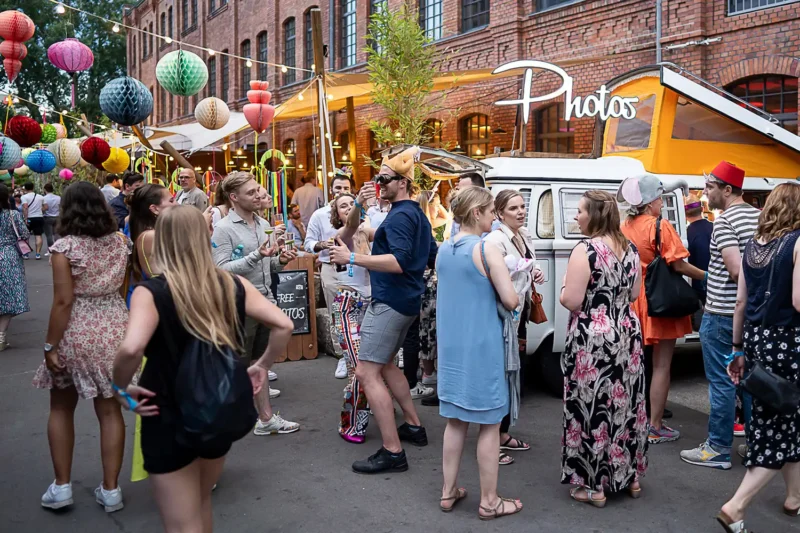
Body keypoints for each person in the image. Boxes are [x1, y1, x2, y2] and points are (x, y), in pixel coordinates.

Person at [111, 206, 294, 533]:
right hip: (215, 409)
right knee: (201, 502)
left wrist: (121, 387)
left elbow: (130, 348)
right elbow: (283, 324)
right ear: (205, 237)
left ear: (161, 241)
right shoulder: (232, 284)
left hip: (165, 410)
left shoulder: (151, 292)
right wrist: (262, 365)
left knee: (181, 522)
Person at [329, 146, 438, 474]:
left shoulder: (403, 214)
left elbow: (399, 260)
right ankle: (414, 427)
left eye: (384, 179)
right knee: (387, 365)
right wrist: (371, 229)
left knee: (366, 372)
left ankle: (392, 450)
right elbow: (429, 253)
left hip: (390, 302)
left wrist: (351, 258)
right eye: (378, 179)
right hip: (404, 301)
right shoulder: (415, 213)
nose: (379, 184)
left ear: (403, 182)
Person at [32, 182, 130, 513]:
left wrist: (50, 345)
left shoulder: (65, 248)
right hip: (115, 325)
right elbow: (122, 289)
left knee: (61, 407)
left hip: (77, 328)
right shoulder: (121, 243)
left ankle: (61, 488)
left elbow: (63, 301)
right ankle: (112, 490)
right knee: (110, 410)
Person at [715, 182, 800, 533]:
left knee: (780, 420)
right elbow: (799, 301)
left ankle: (794, 497)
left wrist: (737, 350)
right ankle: (736, 506)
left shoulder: (753, 246)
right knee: (784, 426)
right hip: (791, 343)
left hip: (756, 342)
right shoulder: (797, 242)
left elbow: (740, 303)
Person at [436, 186, 523, 519]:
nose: (494, 216)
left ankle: (448, 492)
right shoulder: (487, 250)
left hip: (453, 348)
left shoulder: (445, 250)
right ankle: (489, 501)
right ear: (476, 213)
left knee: (455, 421)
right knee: (488, 424)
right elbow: (511, 299)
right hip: (483, 346)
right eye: (490, 211)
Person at [560, 190, 648, 507]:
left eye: (580, 210)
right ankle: (631, 477)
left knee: (593, 407)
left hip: (595, 340)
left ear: (594, 215)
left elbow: (571, 300)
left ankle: (595, 486)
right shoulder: (632, 250)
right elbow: (636, 292)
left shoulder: (586, 251)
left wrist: (562, 292)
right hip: (627, 336)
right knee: (626, 407)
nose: (576, 216)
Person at [681, 162, 762, 470]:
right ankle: (756, 447)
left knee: (722, 382)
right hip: (751, 316)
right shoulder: (759, 217)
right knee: (750, 383)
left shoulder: (725, 222)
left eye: (711, 187)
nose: (706, 193)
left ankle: (718, 448)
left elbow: (736, 270)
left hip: (723, 314)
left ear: (728, 190)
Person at [619, 174, 705, 445]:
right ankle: (654, 425)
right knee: (661, 365)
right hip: (660, 301)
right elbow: (678, 264)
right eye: (658, 198)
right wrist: (707, 275)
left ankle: (633, 419)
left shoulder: (624, 226)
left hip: (633, 300)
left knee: (634, 363)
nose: (660, 203)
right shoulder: (660, 225)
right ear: (650, 201)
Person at [212, 171, 299, 435]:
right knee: (237, 365)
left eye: (256, 190)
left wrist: (281, 260)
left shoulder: (261, 224)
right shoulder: (223, 228)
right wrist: (255, 255)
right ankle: (217, 424)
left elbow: (266, 263)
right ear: (234, 197)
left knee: (259, 364)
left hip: (265, 299)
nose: (258, 196)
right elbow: (220, 269)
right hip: (238, 304)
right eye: (251, 193)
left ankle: (265, 418)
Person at [484, 189, 545, 465]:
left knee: (513, 376)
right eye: (513, 208)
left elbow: (527, 267)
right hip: (502, 315)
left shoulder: (523, 235)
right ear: (499, 213)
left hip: (520, 315)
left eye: (522, 207)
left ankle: (503, 433)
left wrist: (534, 271)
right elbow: (493, 277)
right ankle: (490, 441)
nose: (520, 212)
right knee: (498, 377)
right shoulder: (495, 240)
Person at [330, 190, 375, 443]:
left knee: (370, 365)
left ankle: (374, 404)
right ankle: (351, 424)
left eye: (351, 204)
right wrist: (358, 202)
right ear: (337, 214)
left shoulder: (368, 233)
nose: (347, 207)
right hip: (348, 306)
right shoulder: (339, 237)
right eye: (343, 205)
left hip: (372, 306)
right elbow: (351, 225)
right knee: (360, 368)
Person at [304, 172, 354, 378]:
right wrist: (320, 244)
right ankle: (343, 356)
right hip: (330, 268)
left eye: (346, 189)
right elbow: (308, 243)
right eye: (338, 189)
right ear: (331, 191)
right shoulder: (320, 215)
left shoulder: (359, 212)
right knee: (336, 312)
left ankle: (359, 355)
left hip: (357, 268)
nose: (341, 192)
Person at [0, 183, 30, 351]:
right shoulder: (12, 215)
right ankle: (1, 337)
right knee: (9, 296)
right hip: (9, 257)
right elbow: (24, 234)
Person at [686, 193, 713, 329]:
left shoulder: (685, 234)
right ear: (702, 209)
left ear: (685, 213)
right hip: (718, 279)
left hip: (696, 282)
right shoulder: (716, 228)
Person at [21, 181, 44, 259]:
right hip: (39, 217)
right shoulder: (40, 197)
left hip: (29, 218)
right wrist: (40, 211)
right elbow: (46, 206)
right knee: (38, 235)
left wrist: (25, 218)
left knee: (26, 236)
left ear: (25, 188)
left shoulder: (24, 197)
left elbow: (25, 207)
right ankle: (38, 254)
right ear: (33, 187)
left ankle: (26, 253)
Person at [42, 183, 61, 255]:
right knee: (57, 234)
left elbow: (44, 208)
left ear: (45, 190)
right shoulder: (58, 197)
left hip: (47, 217)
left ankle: (50, 250)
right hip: (57, 216)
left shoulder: (44, 198)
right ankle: (58, 248)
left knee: (49, 235)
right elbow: (60, 207)